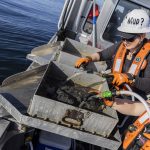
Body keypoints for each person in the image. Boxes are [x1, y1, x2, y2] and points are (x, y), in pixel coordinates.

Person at [75, 9, 150, 116]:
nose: (125, 41)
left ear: (142, 36)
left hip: (133, 100)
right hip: (114, 91)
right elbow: (103, 54)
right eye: (123, 36)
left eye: (130, 38)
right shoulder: (122, 45)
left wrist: (130, 78)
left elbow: (148, 85)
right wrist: (88, 58)